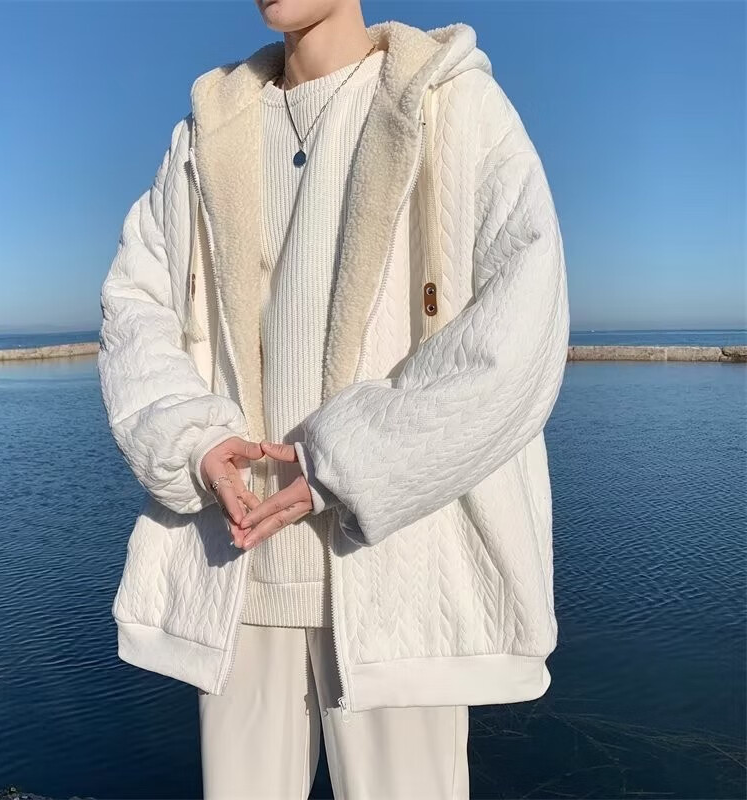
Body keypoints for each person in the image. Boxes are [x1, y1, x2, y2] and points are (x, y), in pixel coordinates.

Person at [97, 0, 570, 797]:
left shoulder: (452, 102)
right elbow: (134, 306)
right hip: (239, 564)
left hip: (400, 574)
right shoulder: (206, 133)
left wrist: (346, 463)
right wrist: (193, 440)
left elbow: (522, 328)